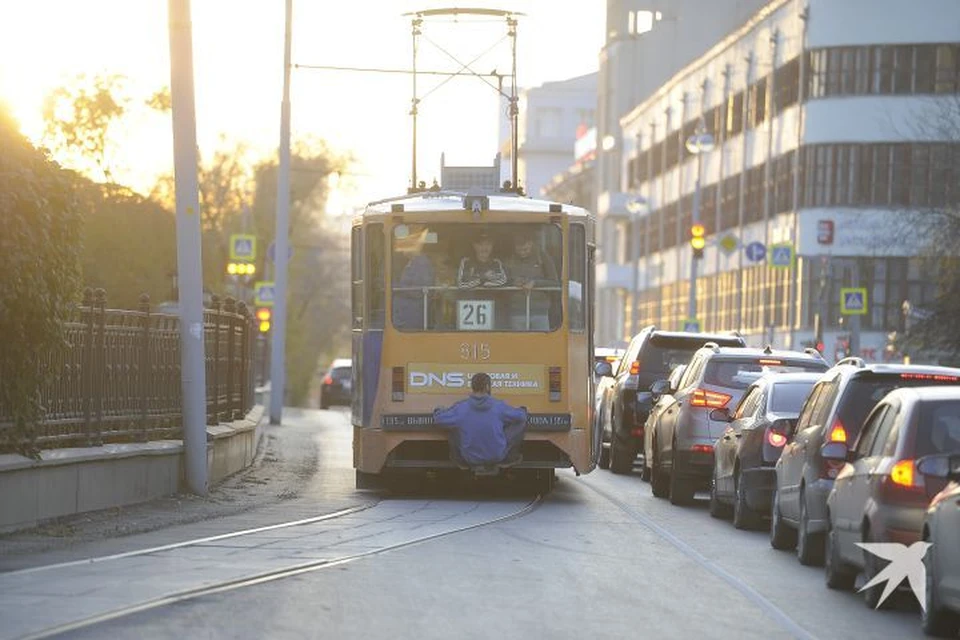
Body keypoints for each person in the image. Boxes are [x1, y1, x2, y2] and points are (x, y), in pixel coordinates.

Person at [432, 373, 528, 468]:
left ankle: (459, 460)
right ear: (487, 387)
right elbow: (522, 416)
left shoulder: (461, 408)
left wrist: (439, 410)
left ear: (472, 386)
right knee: (521, 422)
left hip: (469, 458)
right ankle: (511, 457)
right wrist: (522, 409)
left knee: (452, 426)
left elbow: (439, 420)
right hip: (497, 456)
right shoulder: (499, 406)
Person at [504, 229, 559, 330]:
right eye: (519, 250)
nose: (522, 253)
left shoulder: (543, 257)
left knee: (541, 344)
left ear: (531, 243)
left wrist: (535, 283)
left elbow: (555, 282)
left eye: (525, 249)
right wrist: (513, 282)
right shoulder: (509, 260)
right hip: (516, 311)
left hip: (540, 312)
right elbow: (502, 281)